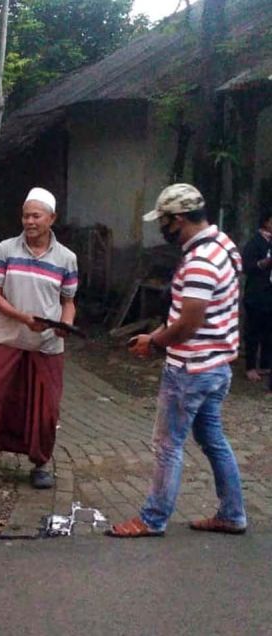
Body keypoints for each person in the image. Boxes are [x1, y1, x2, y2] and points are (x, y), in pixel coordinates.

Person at [107, 183, 247, 538]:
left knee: (167, 446)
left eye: (165, 222)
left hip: (191, 369)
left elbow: (188, 323)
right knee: (213, 439)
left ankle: (152, 518)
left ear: (179, 219)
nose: (162, 229)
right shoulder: (224, 246)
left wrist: (153, 341)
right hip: (218, 366)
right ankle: (232, 514)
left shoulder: (200, 261)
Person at [0, 187, 78, 489]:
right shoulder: (6, 249)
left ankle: (40, 463)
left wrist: (66, 324)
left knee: (47, 408)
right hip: (8, 336)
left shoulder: (67, 258)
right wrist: (23, 317)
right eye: (25, 215)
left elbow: (68, 301)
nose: (29, 221)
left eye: (36, 216)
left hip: (48, 344)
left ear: (52, 218)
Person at [241, 209, 272, 384]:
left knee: (269, 330)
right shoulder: (255, 243)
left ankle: (266, 364)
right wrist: (264, 263)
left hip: (270, 293)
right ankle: (250, 366)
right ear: (266, 222)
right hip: (256, 294)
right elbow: (247, 266)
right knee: (253, 330)